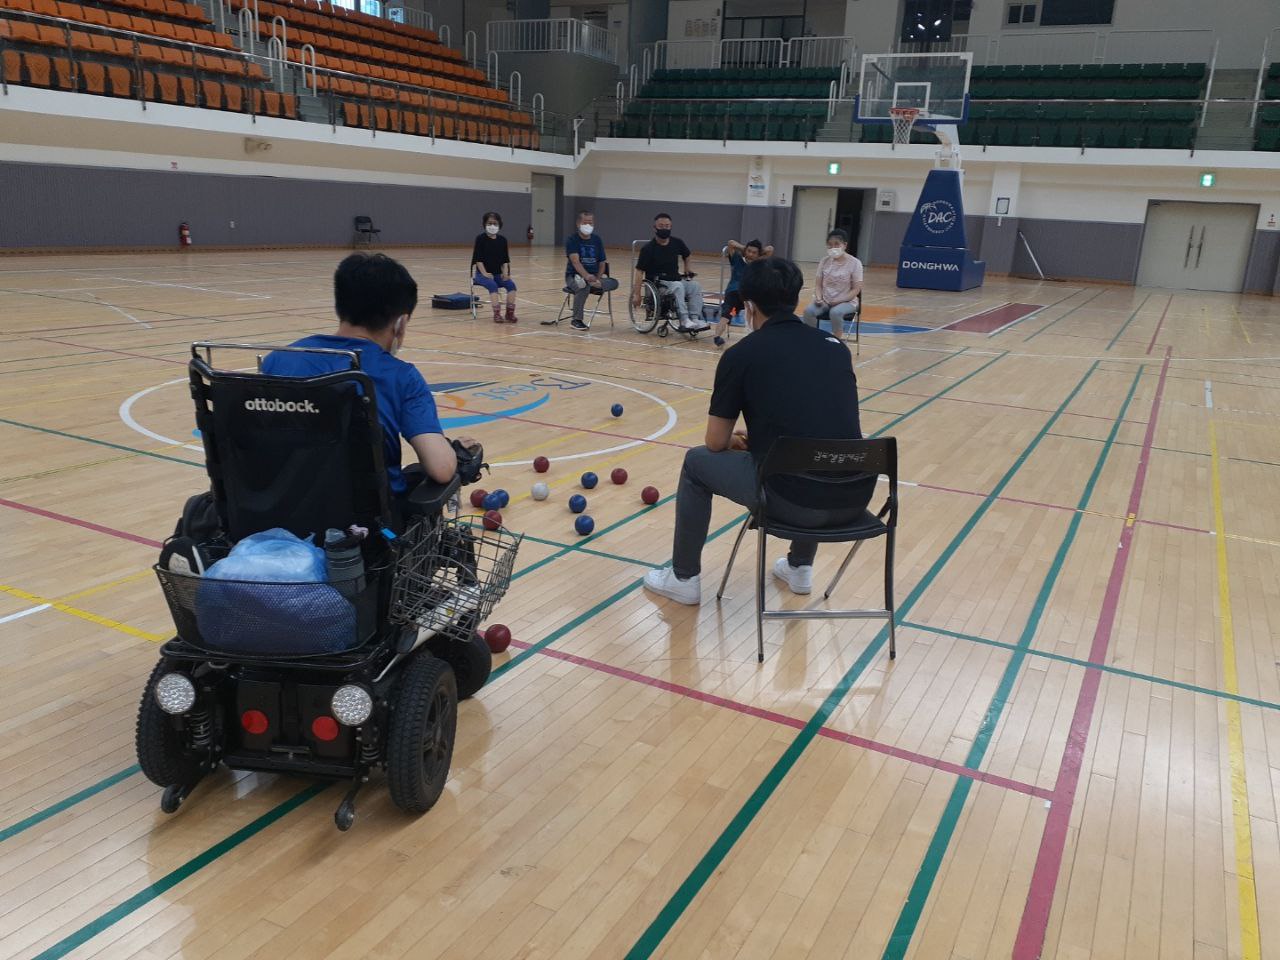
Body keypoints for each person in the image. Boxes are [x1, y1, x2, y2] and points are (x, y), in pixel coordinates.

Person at [643, 256, 875, 605]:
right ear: (796, 299)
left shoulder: (742, 355)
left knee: (696, 463)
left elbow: (715, 442)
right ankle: (799, 567)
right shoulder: (836, 350)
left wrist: (741, 442)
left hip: (792, 503)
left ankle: (683, 578)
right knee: (816, 450)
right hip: (855, 499)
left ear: (749, 306)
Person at [262, 253, 465, 507]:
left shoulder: (278, 360)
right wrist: (451, 450)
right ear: (401, 323)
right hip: (364, 525)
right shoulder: (403, 377)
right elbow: (442, 468)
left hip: (278, 506)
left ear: (340, 305)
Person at [633, 213, 705, 331]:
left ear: (671, 227)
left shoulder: (677, 242)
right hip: (658, 285)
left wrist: (687, 268)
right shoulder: (648, 249)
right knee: (678, 286)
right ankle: (684, 319)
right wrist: (637, 294)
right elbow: (639, 271)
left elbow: (687, 255)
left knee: (695, 286)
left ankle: (695, 318)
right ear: (654, 228)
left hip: (675, 280)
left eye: (667, 226)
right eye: (661, 226)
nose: (664, 229)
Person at [560, 210, 619, 331]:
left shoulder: (597, 240)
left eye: (590, 223)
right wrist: (587, 277)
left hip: (595, 278)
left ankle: (595, 283)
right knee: (583, 286)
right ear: (578, 224)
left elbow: (602, 263)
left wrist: (597, 278)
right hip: (574, 276)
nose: (588, 225)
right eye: (585, 222)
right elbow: (575, 261)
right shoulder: (572, 240)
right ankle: (576, 320)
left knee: (614, 282)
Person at [712, 237, 773, 348]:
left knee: (758, 311)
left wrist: (758, 254)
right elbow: (730, 243)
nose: (750, 254)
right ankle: (717, 337)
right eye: (749, 251)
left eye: (754, 253)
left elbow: (770, 249)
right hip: (734, 294)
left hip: (749, 295)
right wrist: (745, 249)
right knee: (728, 313)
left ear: (758, 255)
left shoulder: (759, 263)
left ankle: (757, 335)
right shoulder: (737, 259)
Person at [803, 229, 863, 338]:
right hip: (825, 300)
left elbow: (856, 289)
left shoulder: (855, 263)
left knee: (835, 313)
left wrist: (839, 300)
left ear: (844, 245)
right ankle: (811, 338)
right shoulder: (824, 261)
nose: (833, 248)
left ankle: (837, 340)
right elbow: (818, 285)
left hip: (847, 302)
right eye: (830, 245)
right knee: (808, 311)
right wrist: (819, 298)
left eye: (836, 244)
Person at [471, 211, 517, 324]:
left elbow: (505, 260)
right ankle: (497, 314)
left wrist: (505, 273)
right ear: (485, 224)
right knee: (493, 285)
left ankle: (509, 313)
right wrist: (485, 273)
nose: (492, 226)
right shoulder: (480, 239)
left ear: (499, 224)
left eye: (495, 223)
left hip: (497, 274)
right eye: (489, 223)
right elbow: (478, 260)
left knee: (511, 285)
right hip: (482, 274)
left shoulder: (502, 240)